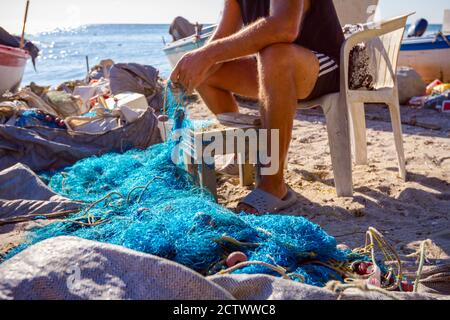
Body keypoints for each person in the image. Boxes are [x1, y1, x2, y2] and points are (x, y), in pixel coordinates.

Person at [170, 0, 344, 215]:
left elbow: (284, 27)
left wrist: (207, 54)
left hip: (324, 65)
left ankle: (274, 183)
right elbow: (222, 38)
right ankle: (243, 153)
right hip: (273, 65)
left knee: (275, 54)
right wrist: (197, 62)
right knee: (206, 72)